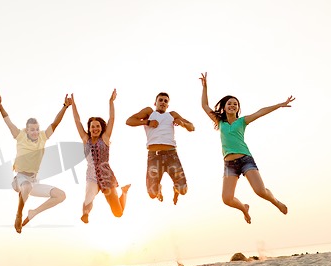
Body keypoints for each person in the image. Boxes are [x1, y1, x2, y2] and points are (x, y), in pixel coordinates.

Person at [199, 72, 294, 223]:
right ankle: (244, 208)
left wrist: (280, 105)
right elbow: (204, 106)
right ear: (224, 107)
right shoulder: (220, 122)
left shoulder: (242, 121)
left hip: (245, 160)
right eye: (229, 103)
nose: (232, 105)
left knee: (260, 191)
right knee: (227, 199)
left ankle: (276, 202)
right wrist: (205, 87)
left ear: (238, 109)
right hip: (229, 164)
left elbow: (261, 112)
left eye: (235, 104)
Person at [0, 93, 68, 233]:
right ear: (26, 130)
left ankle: (33, 212)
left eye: (36, 129)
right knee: (26, 186)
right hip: (20, 179)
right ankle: (19, 215)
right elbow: (7, 120)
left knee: (61, 195)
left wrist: (65, 106)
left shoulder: (43, 137)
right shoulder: (20, 136)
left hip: (34, 181)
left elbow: (55, 123)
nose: (35, 132)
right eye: (32, 129)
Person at [70, 89, 131, 223]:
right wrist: (73, 105)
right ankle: (85, 214)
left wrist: (111, 101)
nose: (95, 128)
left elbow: (112, 119)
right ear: (89, 128)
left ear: (101, 128)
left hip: (106, 176)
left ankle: (124, 192)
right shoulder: (85, 139)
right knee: (89, 196)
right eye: (93, 127)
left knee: (118, 213)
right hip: (91, 174)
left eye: (98, 126)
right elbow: (77, 121)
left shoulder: (105, 138)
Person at [126, 92, 195, 205]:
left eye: (165, 101)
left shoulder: (172, 114)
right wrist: (148, 122)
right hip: (154, 156)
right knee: (152, 194)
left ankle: (176, 189)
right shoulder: (149, 112)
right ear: (155, 103)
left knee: (183, 190)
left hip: (171, 155)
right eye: (160, 100)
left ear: (167, 105)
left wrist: (182, 123)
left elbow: (192, 127)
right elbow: (129, 121)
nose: (163, 102)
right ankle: (159, 189)